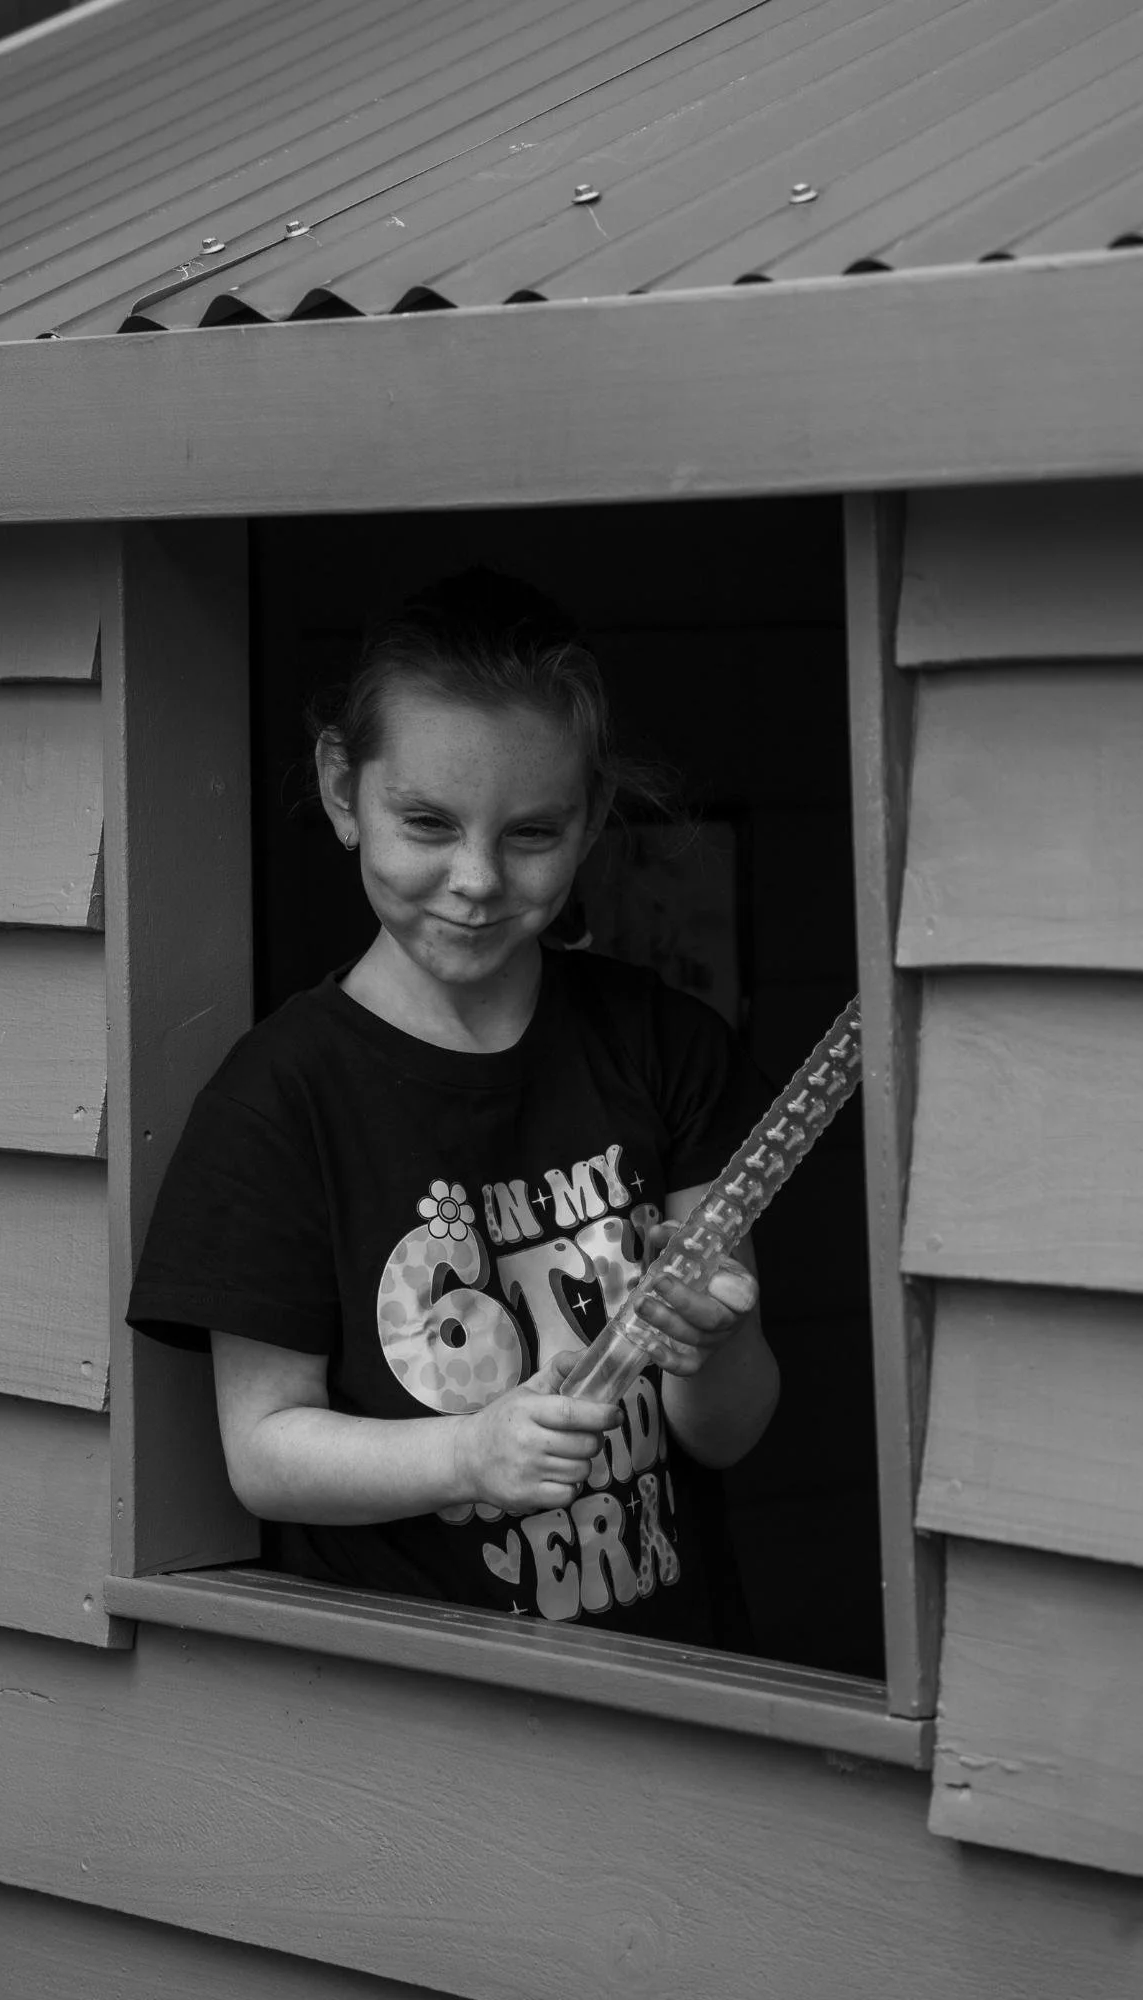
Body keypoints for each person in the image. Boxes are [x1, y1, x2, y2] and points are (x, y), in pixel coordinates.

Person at [127, 572, 780, 1643]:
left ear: (594, 816)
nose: (475, 877)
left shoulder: (663, 1046)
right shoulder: (279, 1103)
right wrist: (470, 1454)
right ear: (344, 790)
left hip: (676, 1684)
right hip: (425, 1718)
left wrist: (719, 1343)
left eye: (531, 832)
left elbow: (728, 1432)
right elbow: (264, 1451)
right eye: (427, 820)